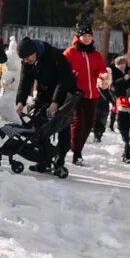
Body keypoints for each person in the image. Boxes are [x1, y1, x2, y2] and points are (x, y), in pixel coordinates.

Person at [15, 38, 79, 172]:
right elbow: (25, 82)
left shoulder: (55, 56)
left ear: (34, 52)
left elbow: (63, 81)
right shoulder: (27, 62)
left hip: (65, 92)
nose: (25, 61)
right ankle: (44, 159)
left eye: (27, 58)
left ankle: (60, 159)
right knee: (38, 125)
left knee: (62, 125)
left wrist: (55, 102)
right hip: (44, 92)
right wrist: (20, 101)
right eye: (23, 59)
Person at [62, 24, 107, 166]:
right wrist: (72, 77)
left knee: (89, 124)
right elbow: (62, 70)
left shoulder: (96, 54)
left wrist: (103, 76)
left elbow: (101, 69)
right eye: (84, 36)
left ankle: (77, 147)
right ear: (79, 37)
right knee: (78, 122)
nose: (87, 38)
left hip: (92, 94)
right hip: (76, 94)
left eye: (89, 36)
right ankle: (77, 153)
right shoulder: (70, 52)